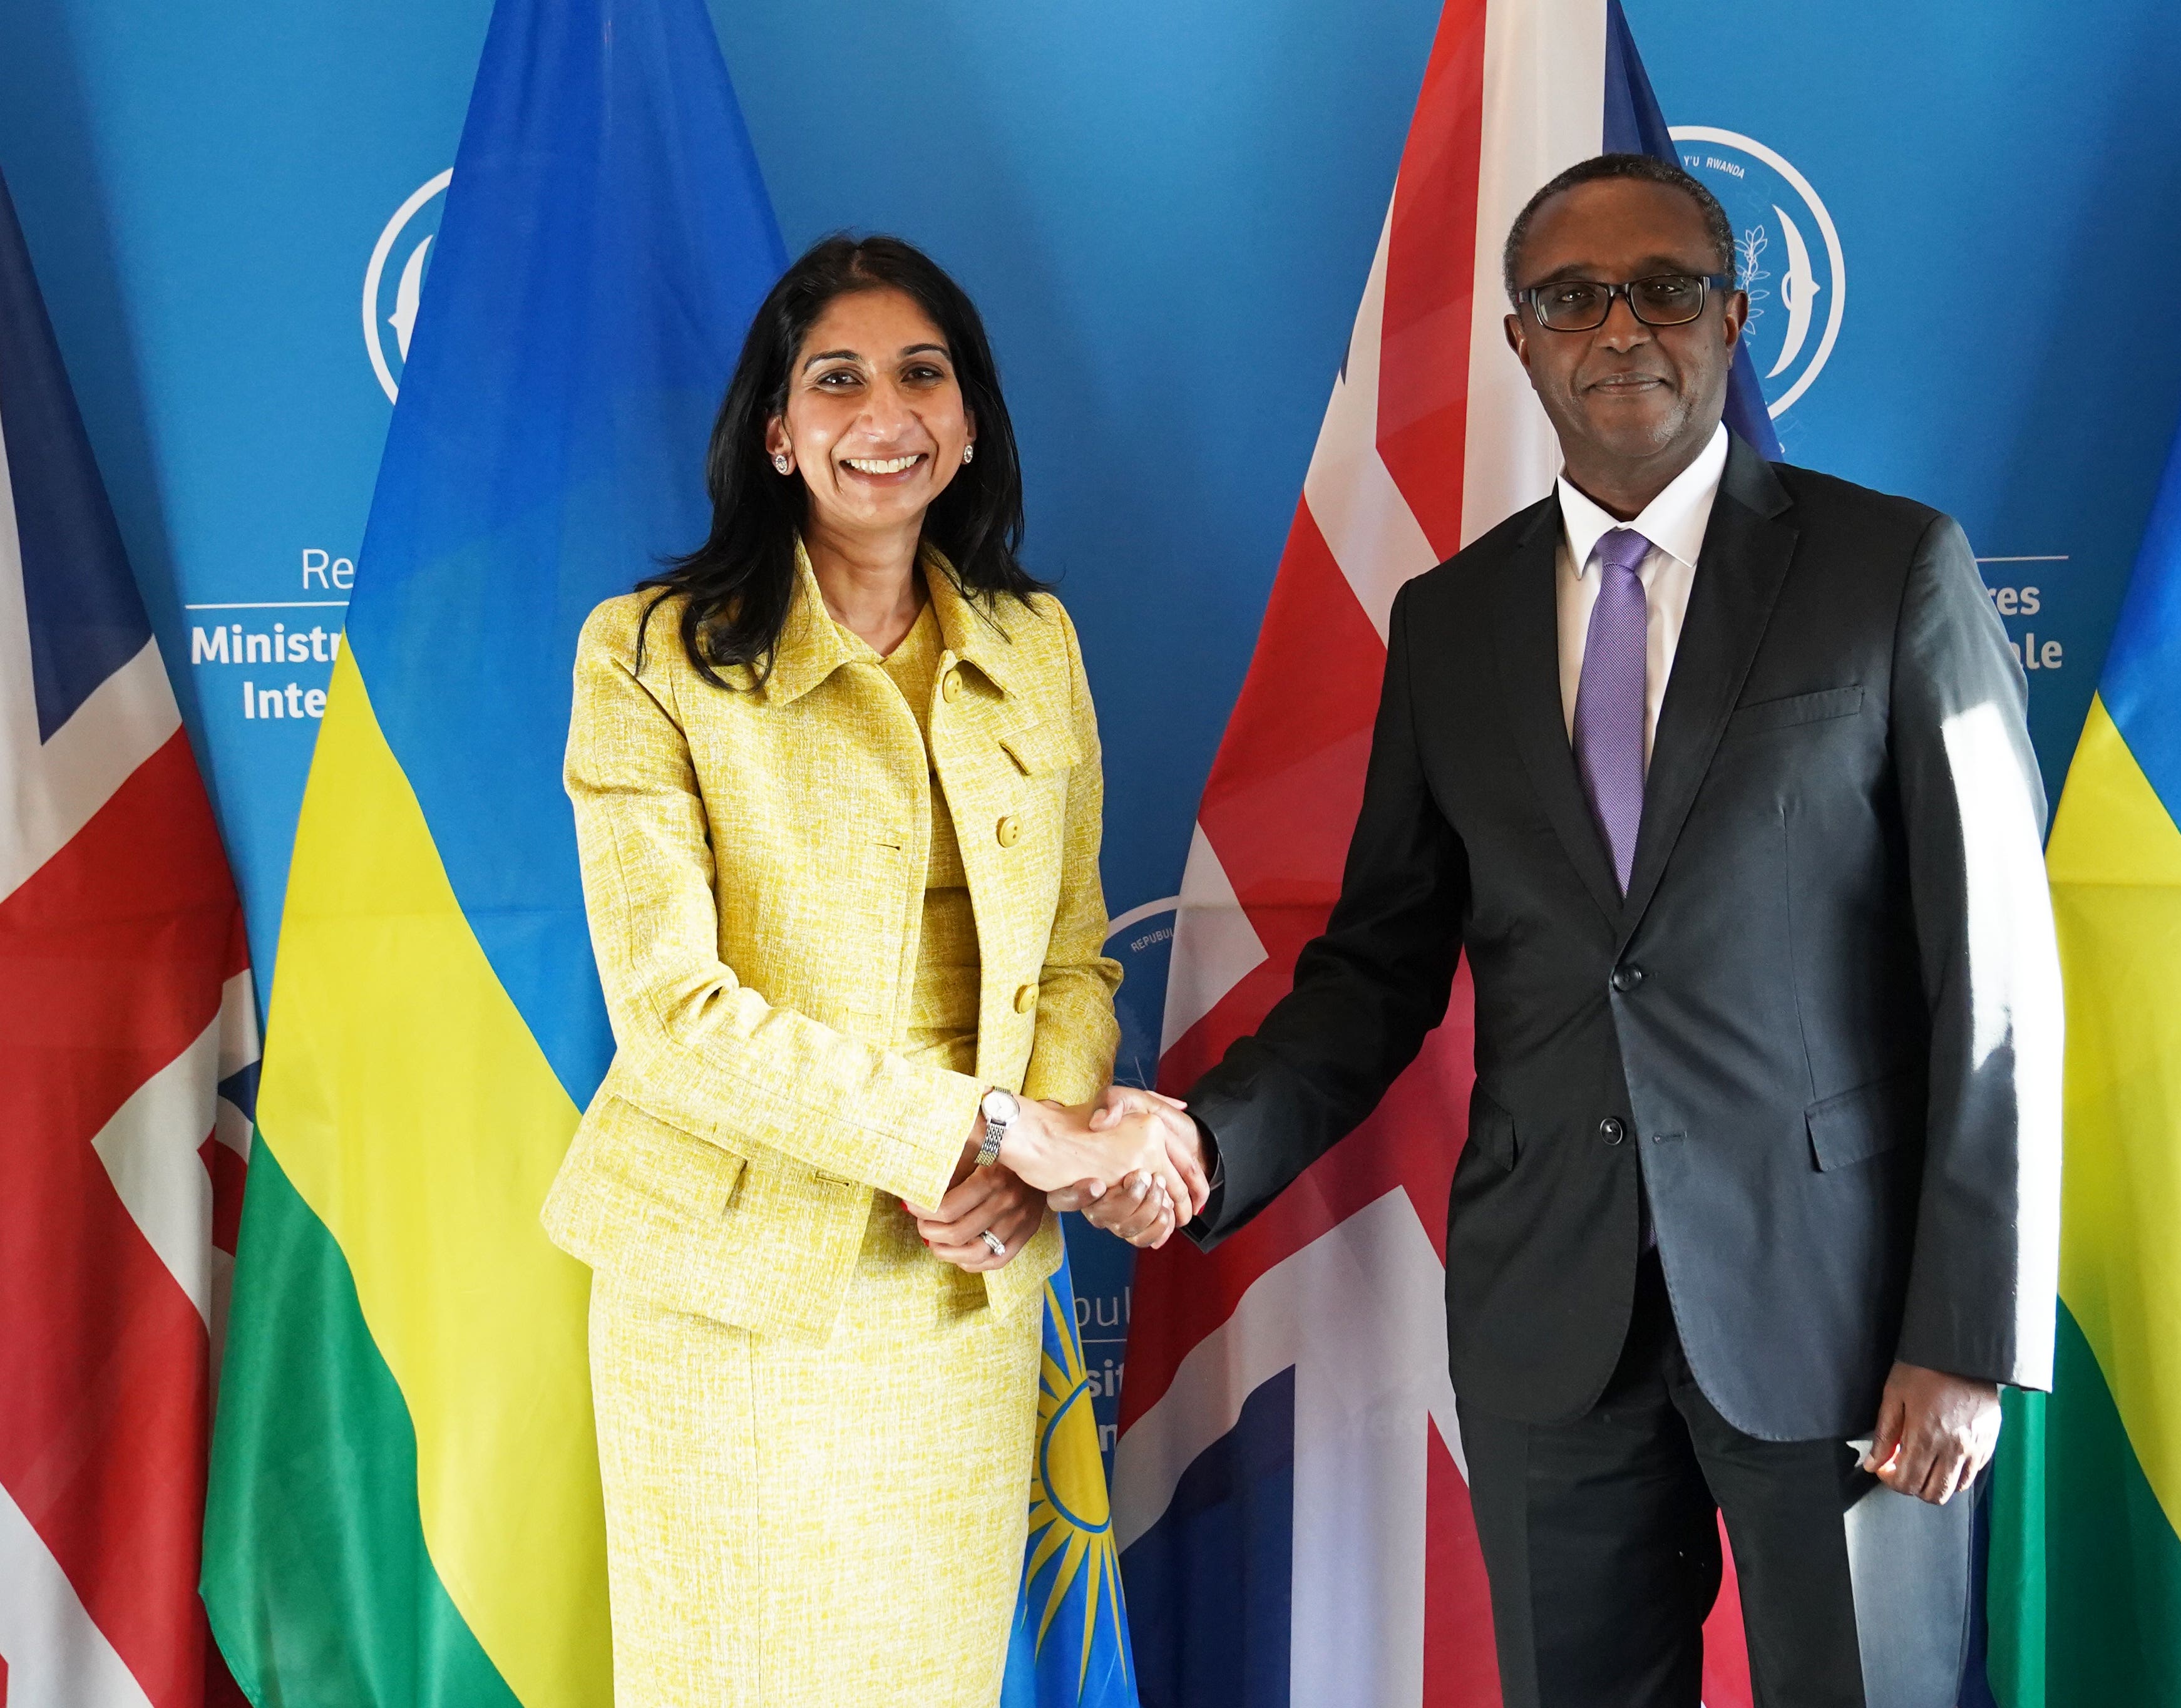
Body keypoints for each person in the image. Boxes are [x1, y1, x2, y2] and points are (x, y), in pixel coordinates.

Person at [1074, 155, 2062, 1707]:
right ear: (1520, 340)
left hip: (1848, 1319)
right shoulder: (1449, 623)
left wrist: (1965, 1329)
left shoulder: (1890, 570)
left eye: (1665, 287)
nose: (1622, 326)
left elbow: (1993, 980)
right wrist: (1205, 1140)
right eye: (1571, 297)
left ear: (1734, 319)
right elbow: (1384, 961)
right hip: (1553, 1321)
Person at [538, 234, 1203, 1708]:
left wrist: (1038, 1153)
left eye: (923, 373)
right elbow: (672, 1019)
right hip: (730, 1286)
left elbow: (1078, 950)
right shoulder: (649, 654)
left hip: (957, 1276)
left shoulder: (1037, 645)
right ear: (777, 431)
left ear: (968, 424)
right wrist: (984, 1128)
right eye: (835, 379)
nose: (883, 411)